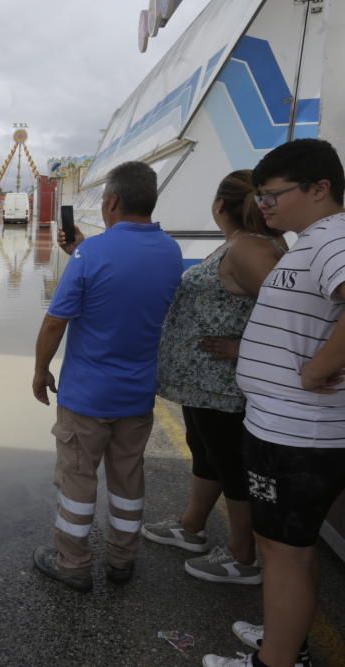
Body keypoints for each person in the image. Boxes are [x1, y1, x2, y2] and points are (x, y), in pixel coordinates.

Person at [204, 138, 345, 667]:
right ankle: (286, 644)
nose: (262, 207)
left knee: (283, 555)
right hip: (284, 429)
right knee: (292, 550)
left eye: (272, 195)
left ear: (320, 188)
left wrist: (319, 367)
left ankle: (276, 661)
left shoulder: (333, 238)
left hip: (297, 437)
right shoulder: (313, 240)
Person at [31, 161, 183, 592]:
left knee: (78, 478)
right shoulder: (170, 252)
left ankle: (73, 563)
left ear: (112, 201)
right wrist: (80, 251)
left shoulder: (91, 254)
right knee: (128, 478)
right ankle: (122, 560)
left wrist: (41, 370)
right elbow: (127, 284)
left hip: (87, 397)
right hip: (137, 395)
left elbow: (55, 322)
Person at [145, 171, 285, 585]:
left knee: (231, 465)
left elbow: (293, 315)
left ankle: (243, 557)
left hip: (221, 385)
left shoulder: (250, 249)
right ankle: (191, 527)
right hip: (204, 385)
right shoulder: (243, 244)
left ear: (219, 206)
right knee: (206, 453)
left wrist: (243, 349)